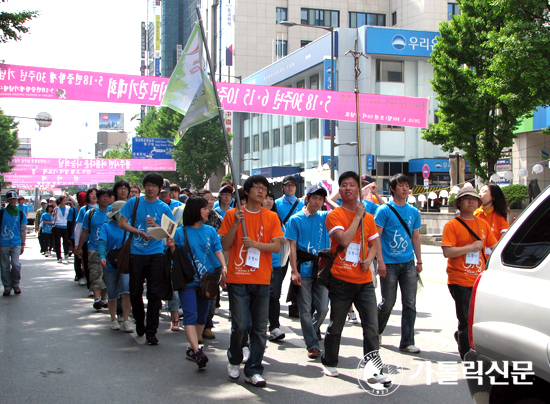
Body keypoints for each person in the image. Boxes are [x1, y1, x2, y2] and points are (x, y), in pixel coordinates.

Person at [321, 171, 389, 385]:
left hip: (364, 281)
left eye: (352, 185)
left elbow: (374, 243)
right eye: (344, 185)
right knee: (337, 325)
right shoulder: (334, 215)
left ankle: (373, 370)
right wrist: (358, 216)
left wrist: (370, 260)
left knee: (371, 326)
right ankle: (330, 361)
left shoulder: (369, 217)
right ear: (339, 191)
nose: (348, 188)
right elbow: (344, 239)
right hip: (341, 279)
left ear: (358, 189)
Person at [219, 175, 284, 387]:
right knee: (240, 325)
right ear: (246, 192)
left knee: (258, 328)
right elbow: (226, 244)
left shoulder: (271, 217)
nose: (261, 191)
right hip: (238, 278)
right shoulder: (232, 214)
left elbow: (276, 247)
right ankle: (235, 359)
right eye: (256, 187)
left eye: (264, 188)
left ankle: (254, 368)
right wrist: (237, 224)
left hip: (263, 279)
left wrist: (255, 244)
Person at [167, 196, 226, 369]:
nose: (208, 211)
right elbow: (173, 256)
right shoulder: (180, 232)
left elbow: (218, 249)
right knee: (191, 314)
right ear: (195, 210)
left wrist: (224, 267)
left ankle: (193, 349)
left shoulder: (210, 231)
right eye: (205, 208)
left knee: (202, 316)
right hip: (188, 280)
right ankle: (197, 350)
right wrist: (171, 246)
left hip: (208, 280)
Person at [118, 172, 175, 345]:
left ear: (159, 188)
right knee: (135, 291)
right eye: (148, 185)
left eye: (154, 186)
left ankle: (152, 330)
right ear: (144, 186)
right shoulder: (134, 202)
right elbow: (122, 223)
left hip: (156, 254)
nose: (150, 188)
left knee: (154, 293)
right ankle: (139, 321)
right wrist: (139, 231)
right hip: (136, 253)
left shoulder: (164, 207)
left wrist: (158, 226)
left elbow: (171, 231)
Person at [442, 186, 498, 359]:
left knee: (476, 319)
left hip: (478, 280)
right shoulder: (452, 225)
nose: (471, 202)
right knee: (466, 319)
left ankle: (463, 338)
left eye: (474, 199)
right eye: (467, 199)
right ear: (459, 202)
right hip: (458, 279)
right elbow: (448, 252)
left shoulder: (483, 224)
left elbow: (494, 247)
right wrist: (471, 247)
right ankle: (466, 355)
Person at [375, 173, 423, 353]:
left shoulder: (413, 211)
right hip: (389, 264)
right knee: (388, 302)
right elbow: (376, 237)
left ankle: (407, 341)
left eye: (407, 185)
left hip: (408, 263)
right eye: (401, 185)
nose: (405, 188)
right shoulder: (384, 210)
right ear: (393, 188)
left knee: (410, 303)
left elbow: (416, 237)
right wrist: (380, 260)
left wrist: (419, 260)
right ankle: (376, 331)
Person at [287, 183, 331, 359]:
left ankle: (310, 332)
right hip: (303, 269)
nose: (317, 201)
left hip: (322, 269)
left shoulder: (325, 216)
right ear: (307, 199)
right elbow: (292, 247)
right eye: (315, 198)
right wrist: (293, 271)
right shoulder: (296, 219)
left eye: (321, 198)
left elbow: (341, 210)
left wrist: (328, 201)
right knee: (304, 309)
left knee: (322, 309)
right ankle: (312, 344)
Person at [98, 200, 134, 333]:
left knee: (126, 290)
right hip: (110, 263)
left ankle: (126, 319)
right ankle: (113, 318)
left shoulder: (129, 226)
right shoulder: (106, 227)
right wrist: (102, 256)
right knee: (112, 292)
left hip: (125, 263)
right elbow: (102, 243)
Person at [275, 175, 305, 320]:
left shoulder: (302, 204)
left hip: (297, 245)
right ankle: (274, 302)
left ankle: (294, 305)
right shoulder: (276, 203)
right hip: (281, 244)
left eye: (293, 185)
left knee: (297, 274)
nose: (290, 187)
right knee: (279, 275)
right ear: (283, 187)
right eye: (287, 185)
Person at [76, 189, 111, 310]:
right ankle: (97, 299)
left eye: (107, 196)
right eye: (102, 196)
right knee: (95, 272)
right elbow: (84, 231)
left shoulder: (113, 212)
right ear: (98, 198)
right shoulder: (90, 213)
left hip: (109, 249)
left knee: (107, 274)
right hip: (93, 248)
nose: (105, 198)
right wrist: (79, 247)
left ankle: (103, 297)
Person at [197, 188, 224, 340]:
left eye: (211, 199)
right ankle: (196, 326)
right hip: (197, 262)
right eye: (206, 199)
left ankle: (207, 325)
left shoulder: (217, 217)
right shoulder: (192, 218)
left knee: (211, 294)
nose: (210, 202)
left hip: (213, 262)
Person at [262, 191, 285, 341]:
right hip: (258, 264)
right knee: (260, 297)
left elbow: (283, 239)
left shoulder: (276, 218)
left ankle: (274, 327)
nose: (269, 201)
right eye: (266, 198)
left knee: (274, 296)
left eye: (271, 198)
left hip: (275, 263)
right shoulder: (255, 216)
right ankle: (258, 327)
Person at [1, 191, 27, 296]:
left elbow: (23, 229)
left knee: (15, 264)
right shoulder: (2, 212)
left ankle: (16, 283)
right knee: (4, 266)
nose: (13, 201)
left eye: (14, 199)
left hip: (16, 242)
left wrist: (23, 243)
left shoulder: (21, 214)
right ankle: (7, 286)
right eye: (10, 199)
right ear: (7, 201)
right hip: (3, 243)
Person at [52, 195, 71, 264]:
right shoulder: (56, 209)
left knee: (66, 241)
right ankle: (59, 257)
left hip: (65, 226)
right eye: (63, 200)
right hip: (58, 226)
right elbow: (53, 219)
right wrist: (53, 216)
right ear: (60, 201)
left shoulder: (68, 208)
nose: (65, 202)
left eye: (66, 200)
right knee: (57, 242)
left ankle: (66, 253)